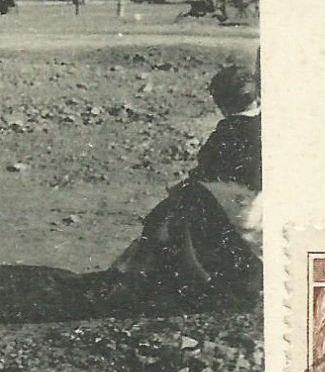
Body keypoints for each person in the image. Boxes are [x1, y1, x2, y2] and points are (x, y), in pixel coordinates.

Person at [111, 63, 262, 308]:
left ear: (222, 105)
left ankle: (145, 276)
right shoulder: (272, 126)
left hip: (246, 223)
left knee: (177, 207)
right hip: (267, 224)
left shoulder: (228, 133)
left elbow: (205, 176)